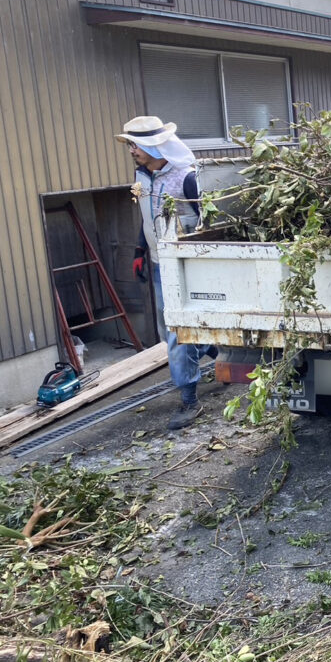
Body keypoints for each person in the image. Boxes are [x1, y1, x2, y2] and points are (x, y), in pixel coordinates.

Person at [117, 116, 215, 430]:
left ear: (153, 145)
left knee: (177, 334)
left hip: (187, 266)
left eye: (135, 144)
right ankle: (212, 348)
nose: (131, 150)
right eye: (130, 144)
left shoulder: (186, 178)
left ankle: (190, 400)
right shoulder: (142, 178)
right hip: (160, 264)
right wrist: (138, 251)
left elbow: (209, 224)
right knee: (170, 332)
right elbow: (148, 218)